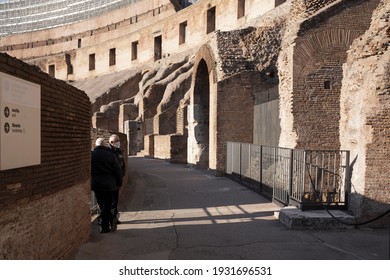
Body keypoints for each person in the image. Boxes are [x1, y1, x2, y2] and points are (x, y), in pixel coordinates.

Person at [91, 138, 123, 233]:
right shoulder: (111, 155)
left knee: (101, 205)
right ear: (105, 145)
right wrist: (119, 182)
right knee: (107, 206)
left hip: (97, 184)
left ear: (96, 145)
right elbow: (118, 170)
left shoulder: (92, 155)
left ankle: (108, 222)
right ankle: (105, 226)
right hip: (110, 185)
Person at [108, 134, 126, 224]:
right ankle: (110, 219)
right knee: (110, 201)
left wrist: (122, 174)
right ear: (111, 142)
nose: (118, 143)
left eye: (118, 141)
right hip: (110, 181)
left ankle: (114, 218)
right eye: (117, 141)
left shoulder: (118, 151)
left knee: (115, 201)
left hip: (117, 180)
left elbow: (122, 164)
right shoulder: (108, 152)